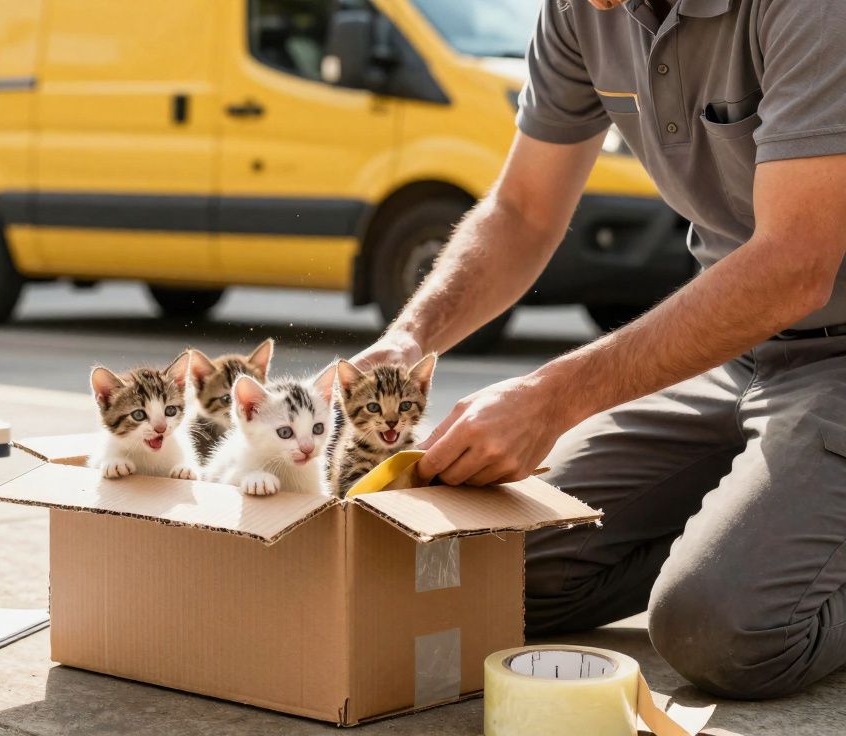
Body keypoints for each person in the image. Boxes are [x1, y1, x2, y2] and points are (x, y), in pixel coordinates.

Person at [353, 0, 846, 699]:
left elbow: (796, 263)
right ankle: (773, 516)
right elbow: (522, 210)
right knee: (498, 573)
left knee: (725, 628)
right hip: (739, 356)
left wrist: (552, 397)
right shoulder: (581, 11)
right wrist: (408, 338)